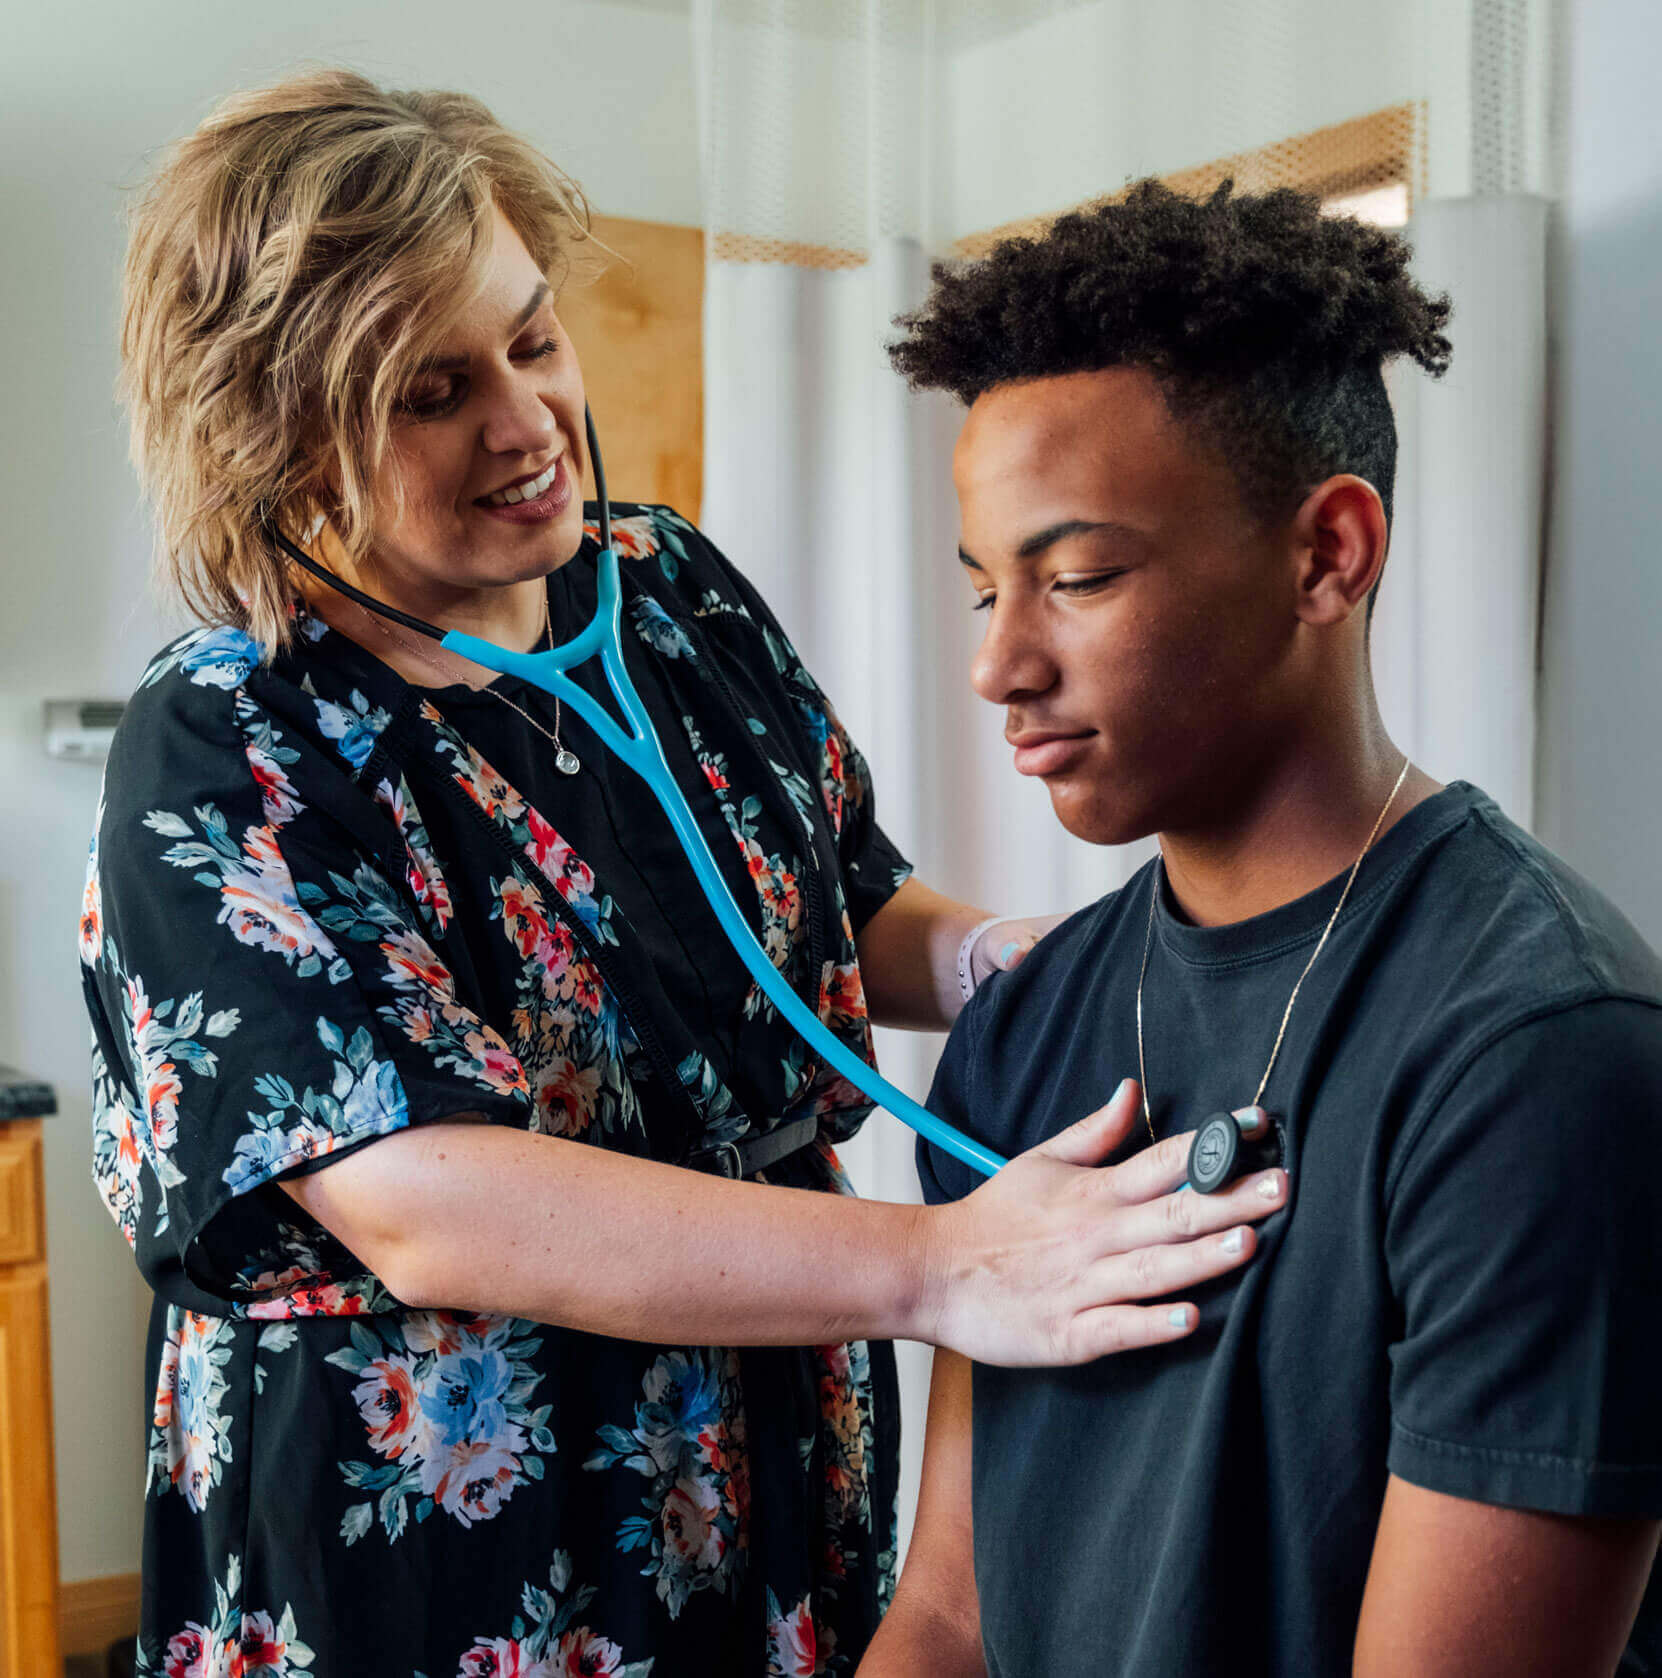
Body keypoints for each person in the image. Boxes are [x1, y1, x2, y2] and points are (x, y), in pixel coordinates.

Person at [82, 76, 1284, 1677]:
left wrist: (1030, 960)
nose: (525, 422)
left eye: (529, 338)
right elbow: (425, 1202)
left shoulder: (666, 589)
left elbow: (836, 909)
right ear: (277, 427)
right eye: (430, 391)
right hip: (451, 1530)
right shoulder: (228, 734)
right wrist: (950, 1267)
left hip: (767, 1436)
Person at [862, 181, 1662, 1677]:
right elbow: (952, 1614)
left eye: (1077, 577)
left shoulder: (1537, 1054)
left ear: (1326, 556)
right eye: (983, 588)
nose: (997, 664)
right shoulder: (1025, 1029)